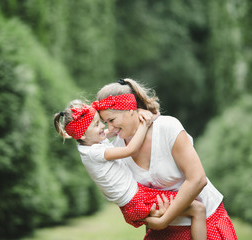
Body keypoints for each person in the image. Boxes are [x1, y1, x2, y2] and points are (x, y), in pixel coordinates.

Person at [93, 78, 238, 240]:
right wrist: (154, 219)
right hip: (163, 231)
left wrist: (164, 219)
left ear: (130, 109)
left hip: (206, 223)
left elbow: (197, 179)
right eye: (106, 122)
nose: (110, 128)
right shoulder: (117, 150)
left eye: (112, 120)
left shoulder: (167, 128)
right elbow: (134, 199)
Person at [54, 99, 207, 240]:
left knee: (187, 209)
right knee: (198, 209)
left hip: (135, 200)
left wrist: (140, 113)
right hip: (137, 201)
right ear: (82, 134)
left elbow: (114, 130)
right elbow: (131, 149)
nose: (103, 127)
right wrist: (144, 123)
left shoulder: (90, 143)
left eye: (101, 121)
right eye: (96, 125)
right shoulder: (94, 153)